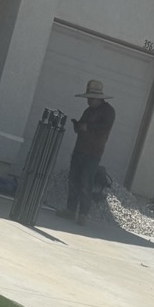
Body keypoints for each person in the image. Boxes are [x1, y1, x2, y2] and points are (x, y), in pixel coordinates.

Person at [61, 79, 116, 221]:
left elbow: (104, 128)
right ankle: (70, 210)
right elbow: (81, 127)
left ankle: (83, 214)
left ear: (98, 98)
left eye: (91, 98)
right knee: (73, 180)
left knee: (86, 183)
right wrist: (78, 126)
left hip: (93, 152)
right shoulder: (89, 110)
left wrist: (88, 127)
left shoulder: (108, 112)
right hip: (80, 149)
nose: (89, 101)